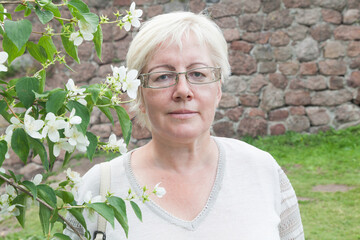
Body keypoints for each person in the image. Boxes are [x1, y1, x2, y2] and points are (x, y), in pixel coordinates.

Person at [64, 11, 304, 240]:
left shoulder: (263, 172)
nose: (183, 91)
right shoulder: (98, 188)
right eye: (163, 76)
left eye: (198, 74)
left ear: (218, 89)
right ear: (139, 95)